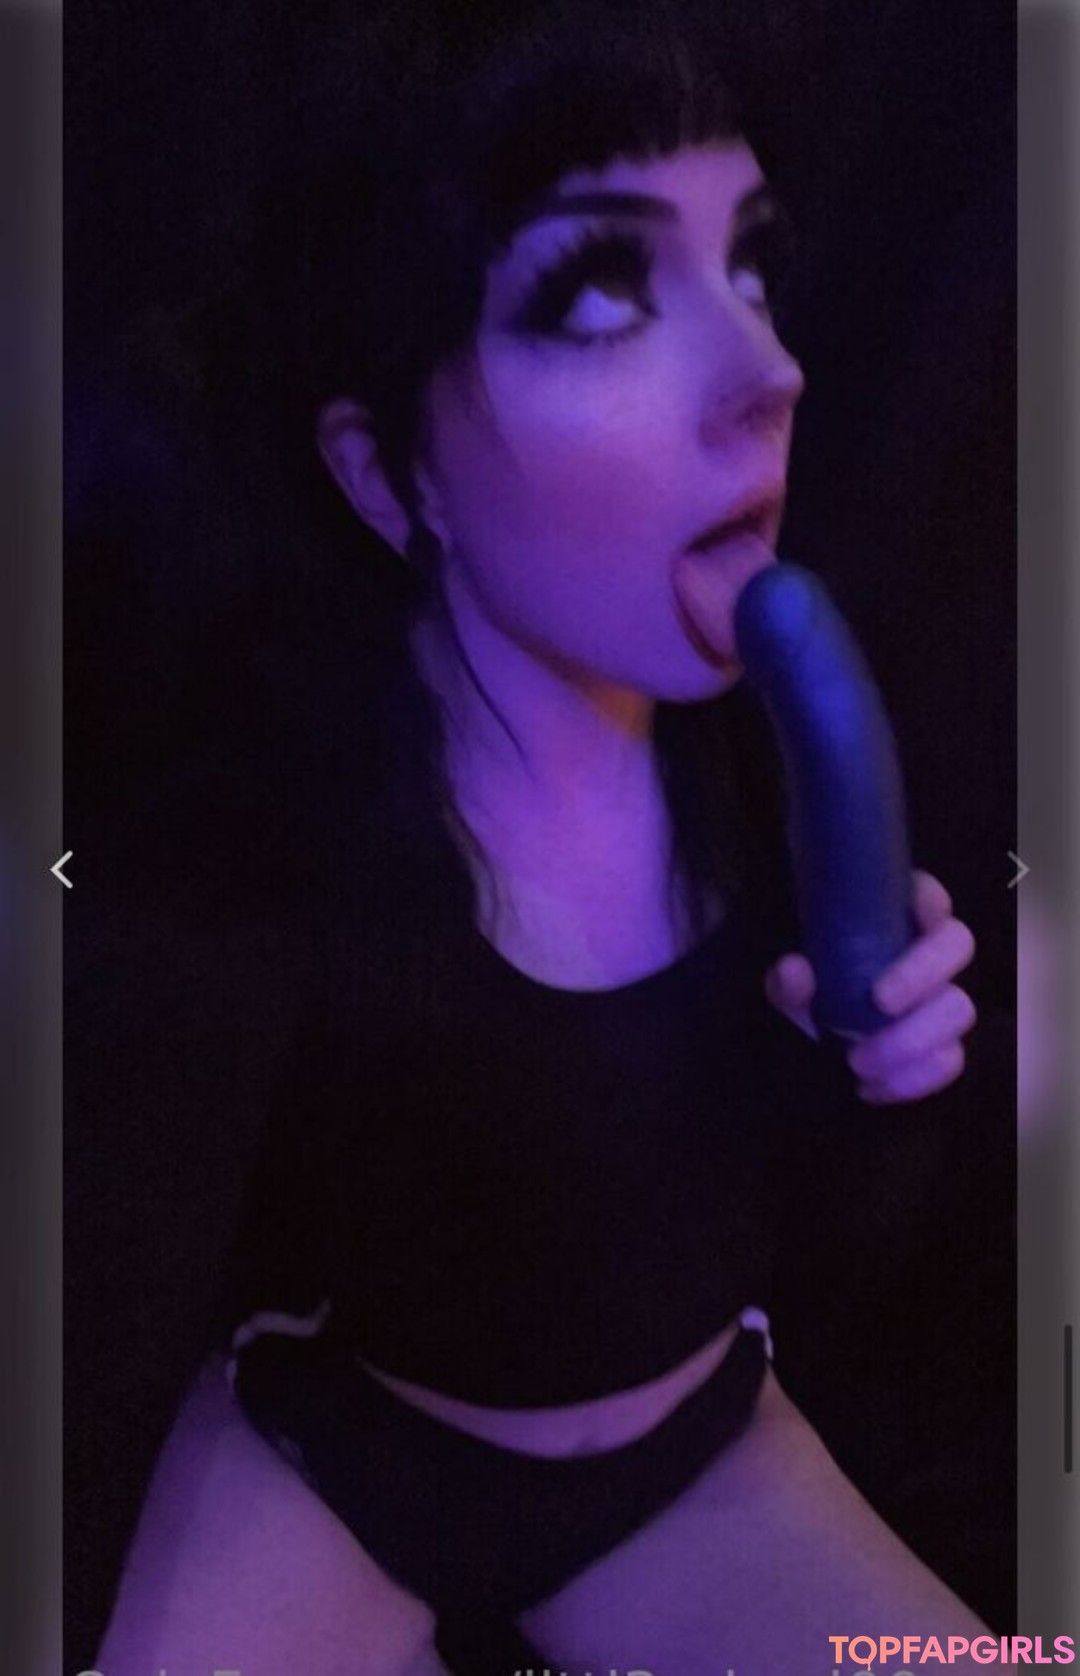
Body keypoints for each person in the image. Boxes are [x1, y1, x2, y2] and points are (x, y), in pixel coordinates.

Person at [94, 4, 1002, 1672]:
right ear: (391, 478)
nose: (772, 375)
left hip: (697, 1463)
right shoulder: (288, 828)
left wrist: (880, 1082)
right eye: (599, 294)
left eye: (751, 267)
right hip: (351, 1456)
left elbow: (848, 1247)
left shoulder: (775, 779)